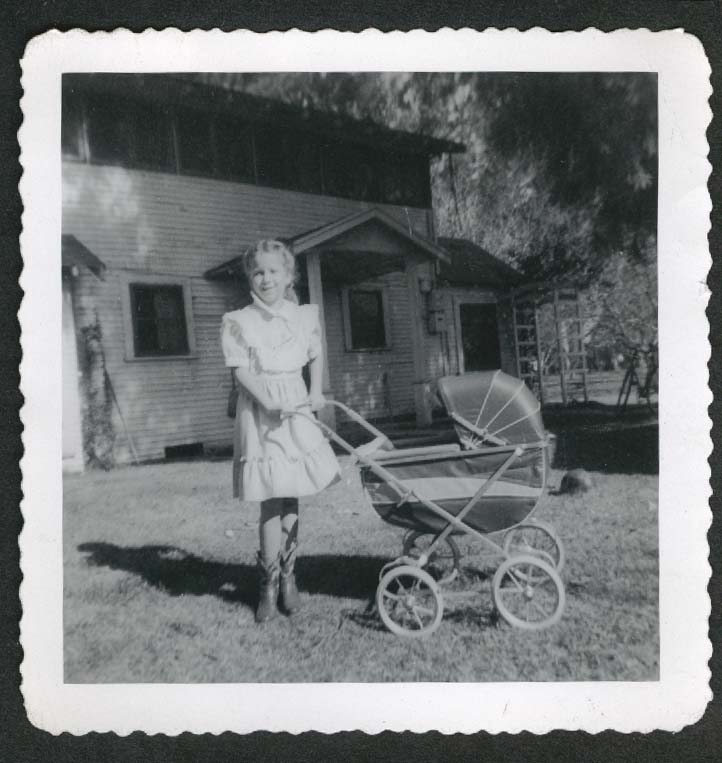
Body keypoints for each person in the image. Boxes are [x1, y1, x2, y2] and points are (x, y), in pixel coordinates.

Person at [220, 239, 339, 623]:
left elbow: (315, 352)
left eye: (274, 271)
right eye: (258, 272)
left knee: (292, 494)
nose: (266, 278)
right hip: (261, 409)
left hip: (296, 403)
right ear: (249, 278)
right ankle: (267, 584)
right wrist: (268, 401)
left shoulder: (302, 316)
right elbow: (240, 371)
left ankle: (289, 576)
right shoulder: (240, 321)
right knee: (271, 497)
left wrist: (316, 389)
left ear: (289, 276)